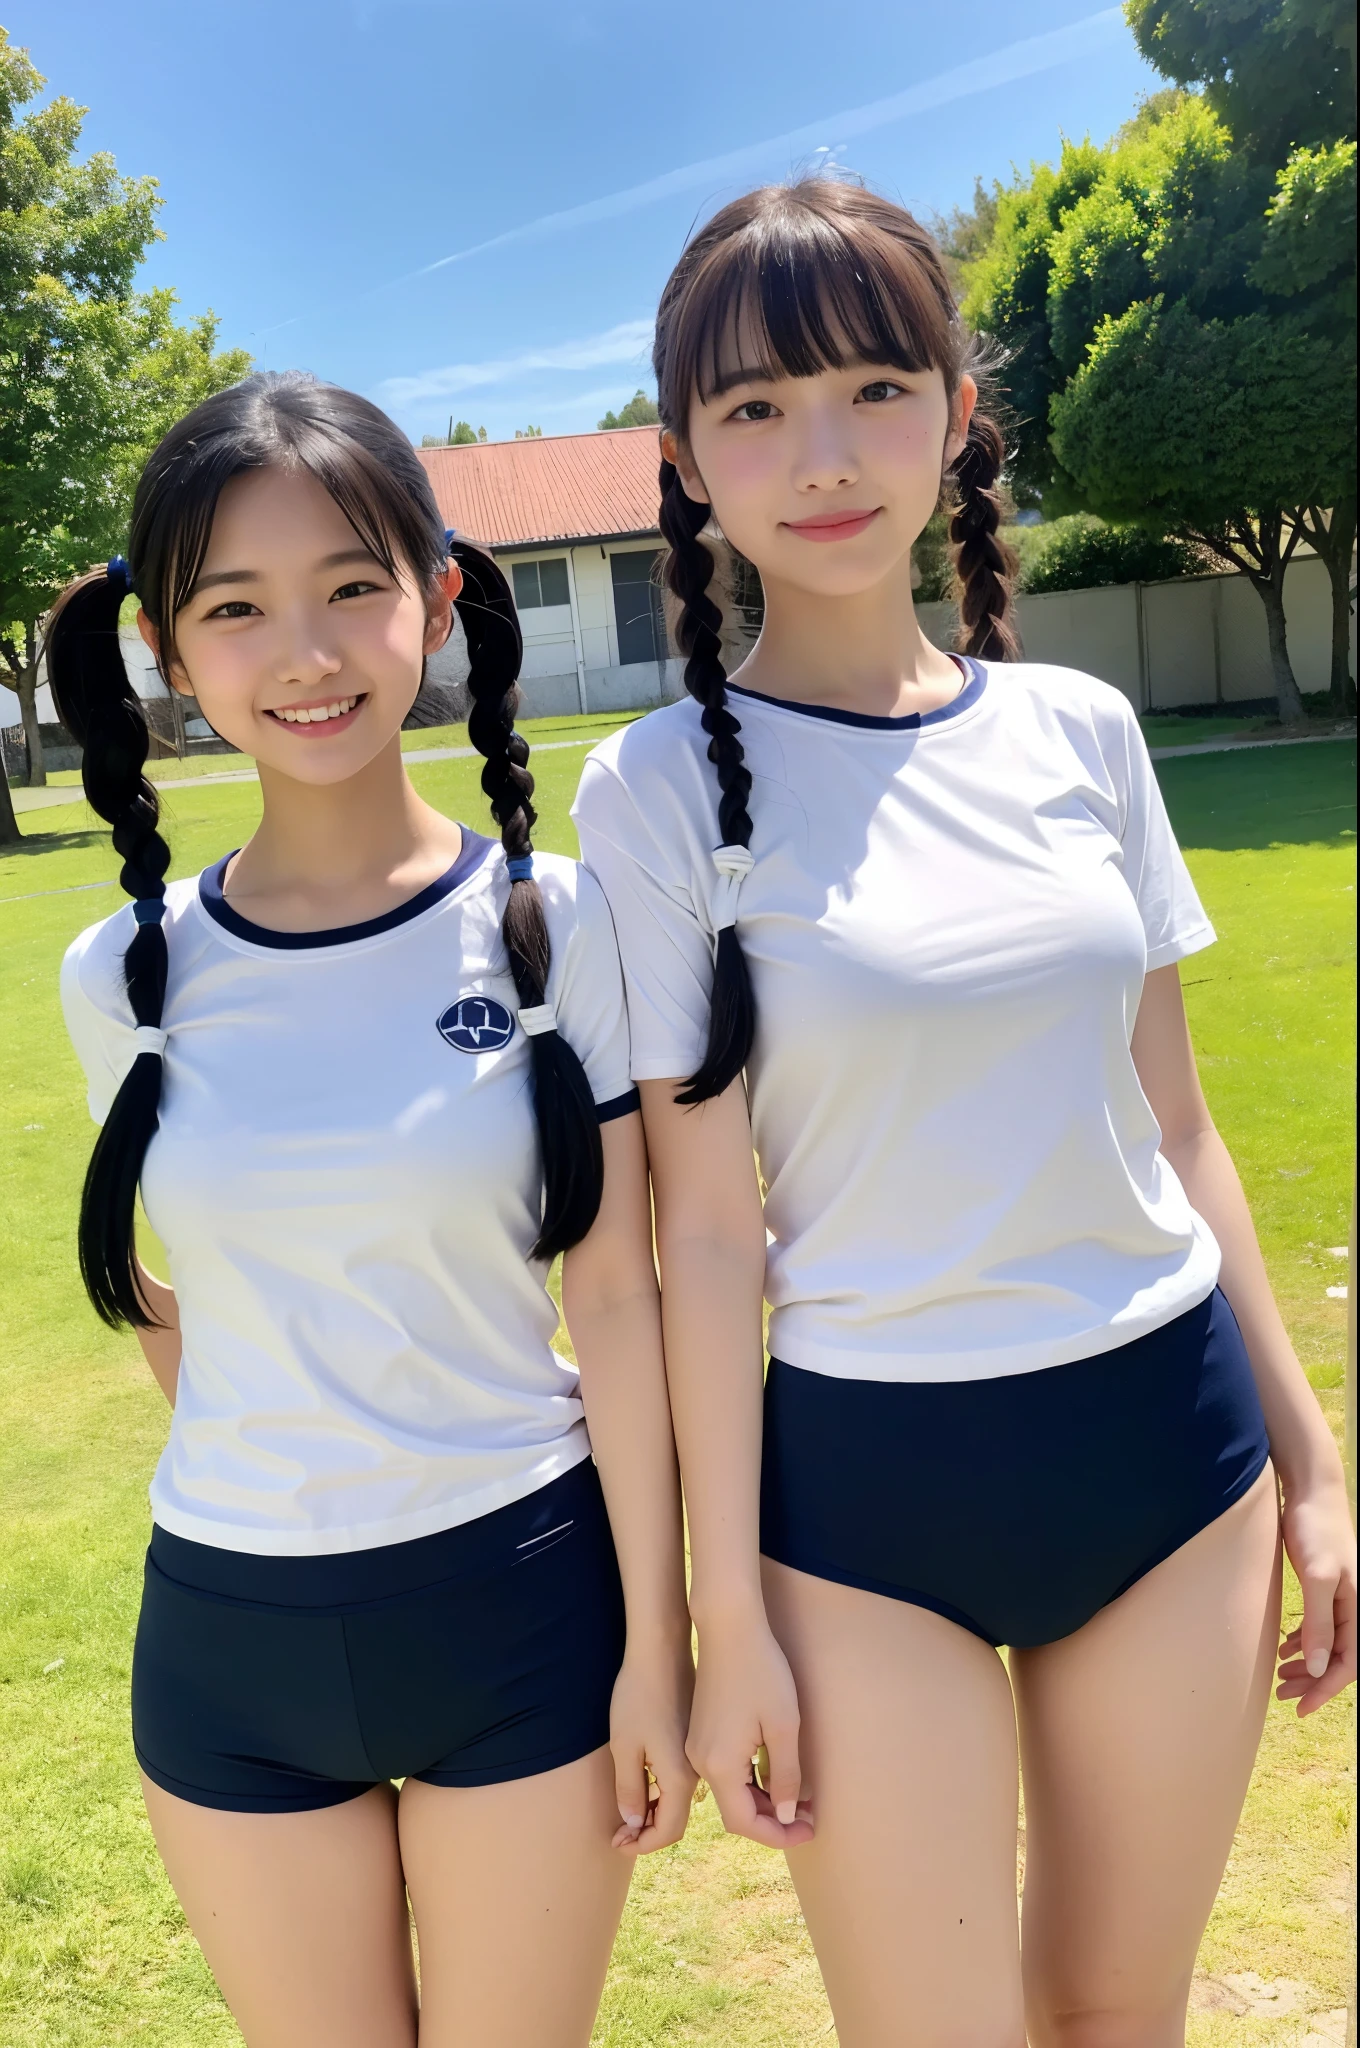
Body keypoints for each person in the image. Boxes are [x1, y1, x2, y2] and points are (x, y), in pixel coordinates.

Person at [572, 179, 1357, 2047]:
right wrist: (719, 1622)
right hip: (863, 1504)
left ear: (957, 411)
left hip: (1168, 1460)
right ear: (686, 459)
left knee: (1114, 2015)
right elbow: (701, 1246)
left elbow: (1178, 1131)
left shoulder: (1081, 729)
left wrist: (1315, 1468)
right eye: (756, 410)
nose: (822, 456)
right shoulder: (659, 790)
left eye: (873, 387)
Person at [52, 372, 694, 2048]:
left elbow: (621, 1301)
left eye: (352, 586)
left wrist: (659, 1643)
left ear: (438, 597)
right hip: (233, 1637)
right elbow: (174, 1306)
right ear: (166, 654)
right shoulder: (120, 978)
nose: (308, 653)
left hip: (523, 1613)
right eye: (236, 609)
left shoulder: (558, 923)